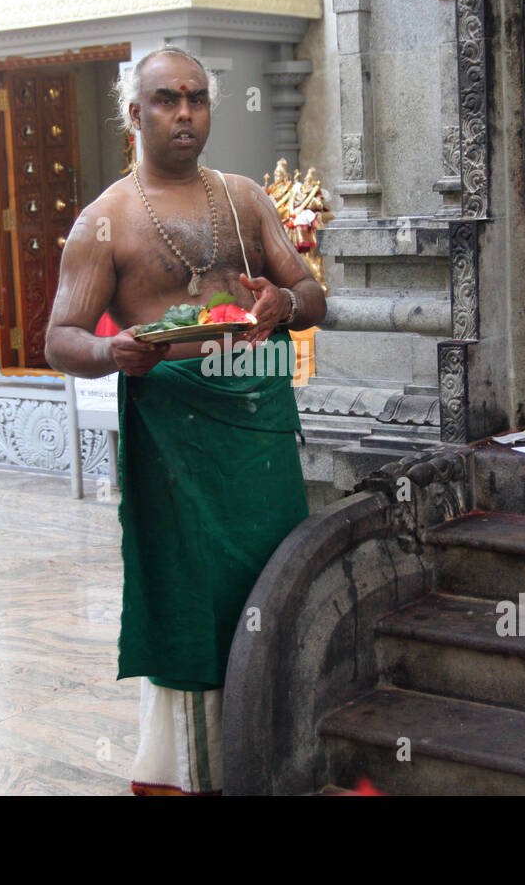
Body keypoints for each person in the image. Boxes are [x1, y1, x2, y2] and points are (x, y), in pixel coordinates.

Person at [45, 46, 326, 795]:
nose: (185, 114)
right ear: (135, 115)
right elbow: (60, 340)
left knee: (272, 581)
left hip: (257, 430)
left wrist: (282, 305)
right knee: (192, 594)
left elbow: (311, 296)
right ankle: (192, 772)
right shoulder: (105, 220)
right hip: (175, 438)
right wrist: (113, 350)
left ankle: (273, 753)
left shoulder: (242, 198)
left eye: (197, 99)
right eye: (167, 100)